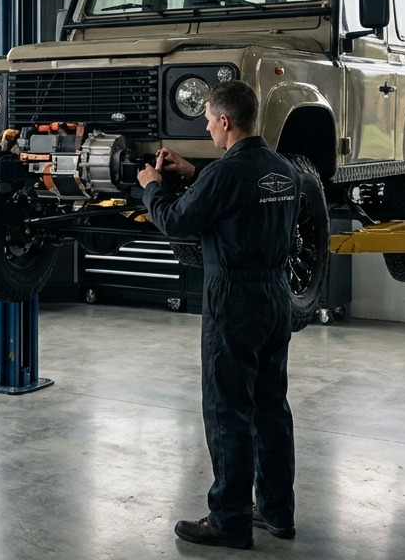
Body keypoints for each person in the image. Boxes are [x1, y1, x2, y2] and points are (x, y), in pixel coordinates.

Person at [135, 80, 298, 550]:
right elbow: (235, 188)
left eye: (207, 118)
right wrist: (195, 172)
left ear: (225, 121)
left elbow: (177, 221)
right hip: (276, 294)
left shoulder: (224, 176)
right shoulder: (281, 170)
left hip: (234, 297)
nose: (205, 125)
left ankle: (228, 518)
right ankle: (276, 511)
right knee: (271, 407)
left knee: (227, 409)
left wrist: (152, 188)